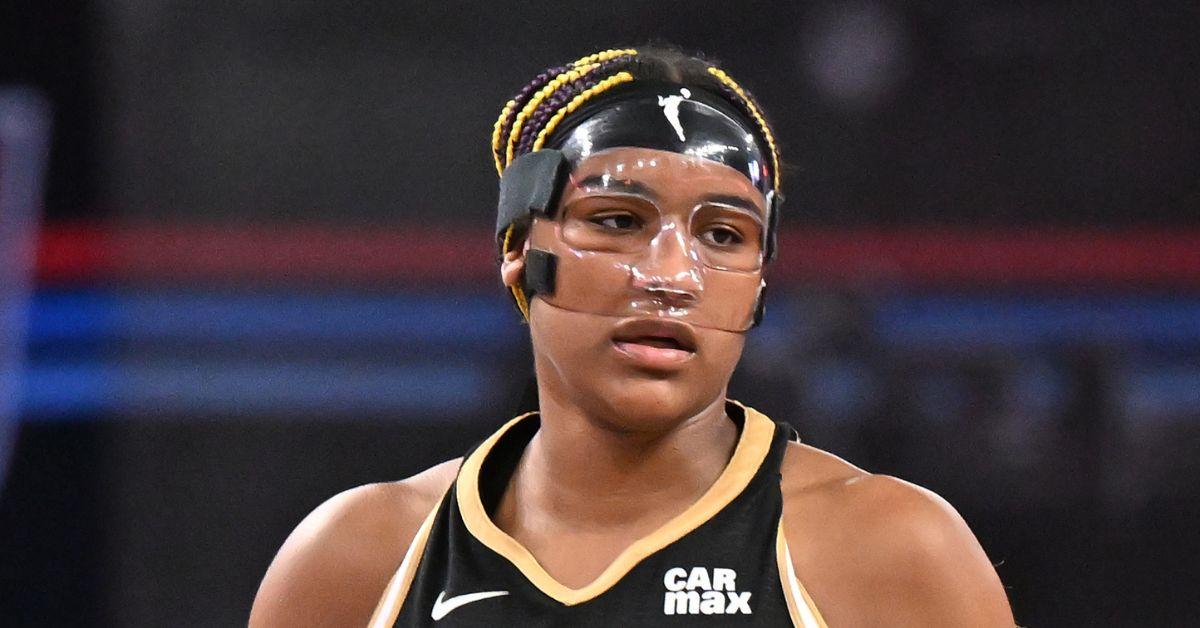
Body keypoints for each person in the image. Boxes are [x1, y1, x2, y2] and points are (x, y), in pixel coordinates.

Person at [249, 46, 1015, 627]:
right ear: (520, 248)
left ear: (760, 281)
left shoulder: (888, 551)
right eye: (617, 222)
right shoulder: (361, 561)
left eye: (723, 234)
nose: (672, 275)